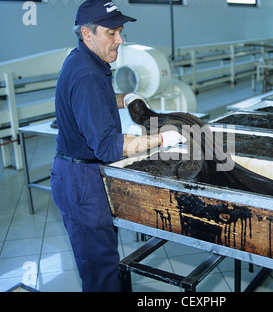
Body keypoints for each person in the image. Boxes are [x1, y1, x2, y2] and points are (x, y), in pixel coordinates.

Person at [50, 0, 185, 292]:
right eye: (112, 33)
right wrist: (162, 139)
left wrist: (125, 98)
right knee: (100, 266)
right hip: (81, 181)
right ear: (87, 33)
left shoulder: (85, 62)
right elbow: (109, 146)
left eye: (120, 31)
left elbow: (94, 100)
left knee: (104, 254)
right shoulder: (86, 73)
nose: (120, 40)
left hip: (82, 174)